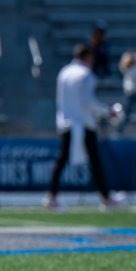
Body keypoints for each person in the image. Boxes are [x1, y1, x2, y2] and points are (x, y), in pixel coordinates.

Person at [44, 43, 123, 211]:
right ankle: (105, 198)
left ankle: (51, 196)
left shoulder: (64, 72)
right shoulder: (86, 74)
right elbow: (88, 102)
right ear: (87, 57)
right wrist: (107, 112)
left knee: (62, 160)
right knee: (94, 161)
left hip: (66, 122)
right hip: (83, 123)